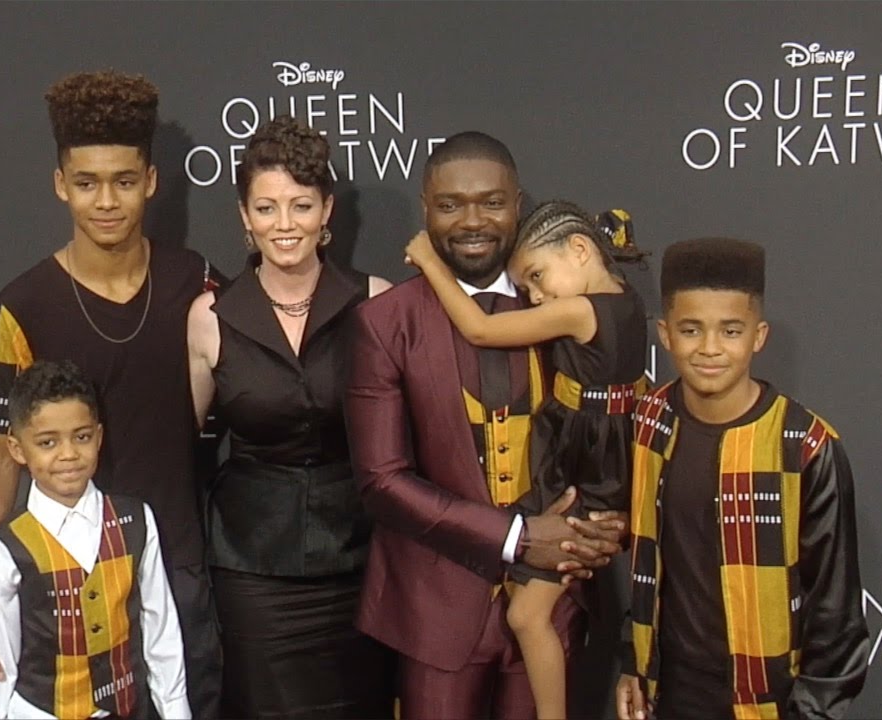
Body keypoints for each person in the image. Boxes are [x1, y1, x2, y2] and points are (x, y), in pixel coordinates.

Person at [0, 70, 222, 718]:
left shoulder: (198, 282)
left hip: (179, 572)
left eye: (124, 181)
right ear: (60, 184)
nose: (106, 201)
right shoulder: (21, 305)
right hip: (58, 591)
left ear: (151, 181)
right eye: (86, 183)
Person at [344, 131, 627, 720]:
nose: (472, 221)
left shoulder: (560, 301)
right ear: (426, 209)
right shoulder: (385, 321)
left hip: (557, 599)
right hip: (436, 611)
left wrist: (602, 528)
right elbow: (382, 480)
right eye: (450, 205)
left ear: (517, 205)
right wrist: (516, 537)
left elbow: (617, 427)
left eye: (492, 203)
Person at [404, 200, 648, 719]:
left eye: (537, 277)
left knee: (526, 616)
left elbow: (481, 330)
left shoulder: (582, 311)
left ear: (579, 249)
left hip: (584, 475)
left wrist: (429, 260)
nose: (535, 297)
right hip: (591, 465)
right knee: (524, 597)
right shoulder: (628, 300)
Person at [186, 115, 395, 719]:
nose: (284, 225)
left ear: (326, 211)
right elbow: (186, 446)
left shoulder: (376, 302)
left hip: (362, 561)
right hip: (252, 570)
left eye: (300, 206)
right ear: (244, 216)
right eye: (266, 208)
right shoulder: (210, 317)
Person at [615, 238, 870, 720]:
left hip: (767, 705)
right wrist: (634, 659)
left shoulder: (804, 445)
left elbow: (835, 618)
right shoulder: (650, 420)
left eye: (731, 331)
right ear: (665, 334)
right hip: (666, 697)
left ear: (758, 336)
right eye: (691, 330)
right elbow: (648, 560)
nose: (710, 348)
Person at [0, 359, 189, 719]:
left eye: (82, 437)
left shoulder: (136, 521)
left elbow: (161, 629)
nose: (68, 454)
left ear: (99, 437)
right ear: (17, 448)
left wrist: (175, 712)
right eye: (47, 442)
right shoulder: (3, 548)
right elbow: (3, 660)